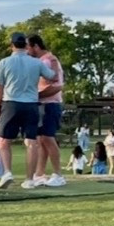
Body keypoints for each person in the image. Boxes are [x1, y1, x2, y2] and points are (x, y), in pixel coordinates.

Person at [0, 32, 56, 189]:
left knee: (4, 141)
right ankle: (29, 179)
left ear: (12, 45)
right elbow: (52, 76)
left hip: (11, 103)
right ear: (26, 45)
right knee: (31, 142)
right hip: (31, 104)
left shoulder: (4, 62)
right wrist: (53, 62)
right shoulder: (36, 63)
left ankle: (7, 172)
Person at [27, 33, 66, 188]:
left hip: (50, 104)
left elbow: (56, 86)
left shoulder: (49, 60)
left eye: (28, 47)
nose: (26, 51)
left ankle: (58, 174)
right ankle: (40, 173)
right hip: (42, 105)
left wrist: (34, 96)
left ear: (36, 46)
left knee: (48, 138)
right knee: (41, 140)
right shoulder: (41, 61)